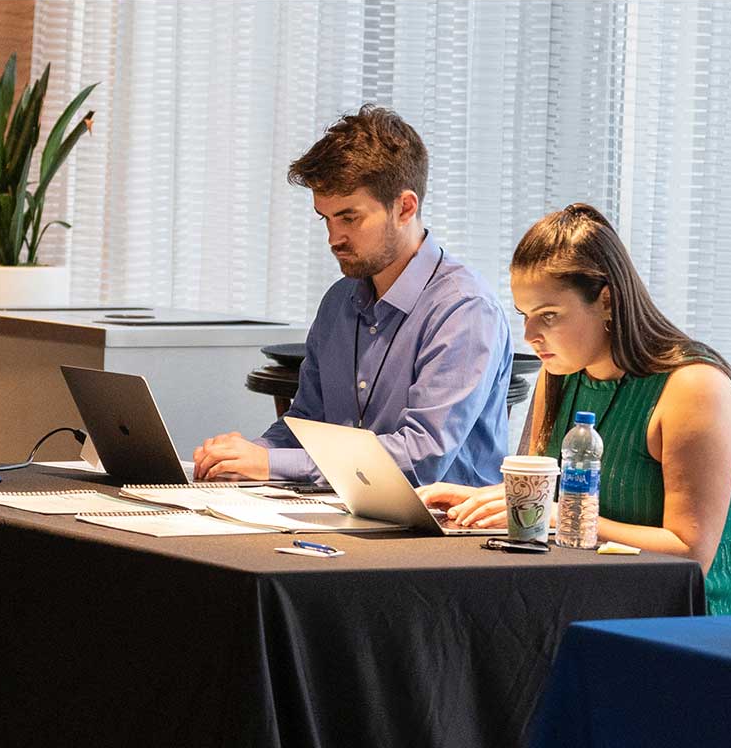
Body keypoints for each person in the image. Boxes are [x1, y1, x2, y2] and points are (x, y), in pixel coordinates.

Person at [422, 204, 731, 615]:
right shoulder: (560, 373)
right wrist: (488, 503)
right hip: (578, 597)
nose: (530, 335)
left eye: (549, 316)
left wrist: (561, 516)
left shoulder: (695, 387)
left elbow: (690, 552)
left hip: (675, 621)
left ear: (607, 300)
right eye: (525, 315)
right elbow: (549, 504)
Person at [190, 106, 511, 487]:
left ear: (405, 208)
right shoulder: (339, 301)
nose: (334, 238)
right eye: (325, 219)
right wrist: (244, 456)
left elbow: (421, 458)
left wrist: (270, 464)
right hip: (342, 510)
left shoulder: (464, 309)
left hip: (437, 520)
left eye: (349, 218)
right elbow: (305, 424)